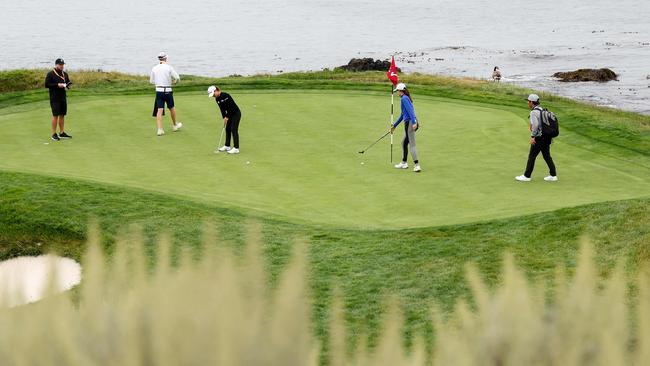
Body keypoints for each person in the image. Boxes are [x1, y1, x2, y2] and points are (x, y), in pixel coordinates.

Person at [515, 94, 558, 182]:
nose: (528, 103)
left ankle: (527, 176)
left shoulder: (533, 112)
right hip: (547, 137)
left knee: (532, 156)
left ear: (531, 102)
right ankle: (553, 175)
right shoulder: (542, 110)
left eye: (528, 101)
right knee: (547, 156)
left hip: (539, 138)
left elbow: (535, 126)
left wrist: (533, 137)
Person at [390, 83, 421, 173]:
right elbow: (403, 114)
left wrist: (414, 122)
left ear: (401, 91)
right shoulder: (405, 98)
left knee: (412, 144)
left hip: (410, 123)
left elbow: (411, 111)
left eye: (397, 91)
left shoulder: (404, 99)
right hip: (410, 122)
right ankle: (404, 162)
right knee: (404, 142)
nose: (397, 93)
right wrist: (394, 125)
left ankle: (417, 165)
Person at [150, 52, 182, 136]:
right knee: (171, 108)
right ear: (165, 59)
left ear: (159, 59)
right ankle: (175, 125)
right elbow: (177, 78)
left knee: (159, 110)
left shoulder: (154, 68)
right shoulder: (169, 67)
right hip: (168, 90)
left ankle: (160, 130)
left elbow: (151, 81)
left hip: (159, 91)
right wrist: (174, 82)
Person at [208, 86, 242, 154]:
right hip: (229, 115)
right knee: (227, 129)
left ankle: (236, 148)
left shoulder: (226, 95)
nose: (213, 96)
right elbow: (222, 109)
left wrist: (227, 116)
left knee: (233, 129)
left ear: (216, 90)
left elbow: (230, 108)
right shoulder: (217, 99)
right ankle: (227, 146)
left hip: (235, 113)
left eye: (213, 94)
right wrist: (224, 117)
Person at [44, 59, 72, 141]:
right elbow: (47, 84)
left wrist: (68, 86)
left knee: (62, 115)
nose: (62, 66)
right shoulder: (51, 74)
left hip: (63, 97)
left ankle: (62, 132)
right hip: (54, 98)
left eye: (62, 64)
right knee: (55, 115)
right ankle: (53, 134)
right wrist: (57, 85)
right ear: (56, 65)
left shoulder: (65, 74)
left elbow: (68, 83)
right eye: (60, 64)